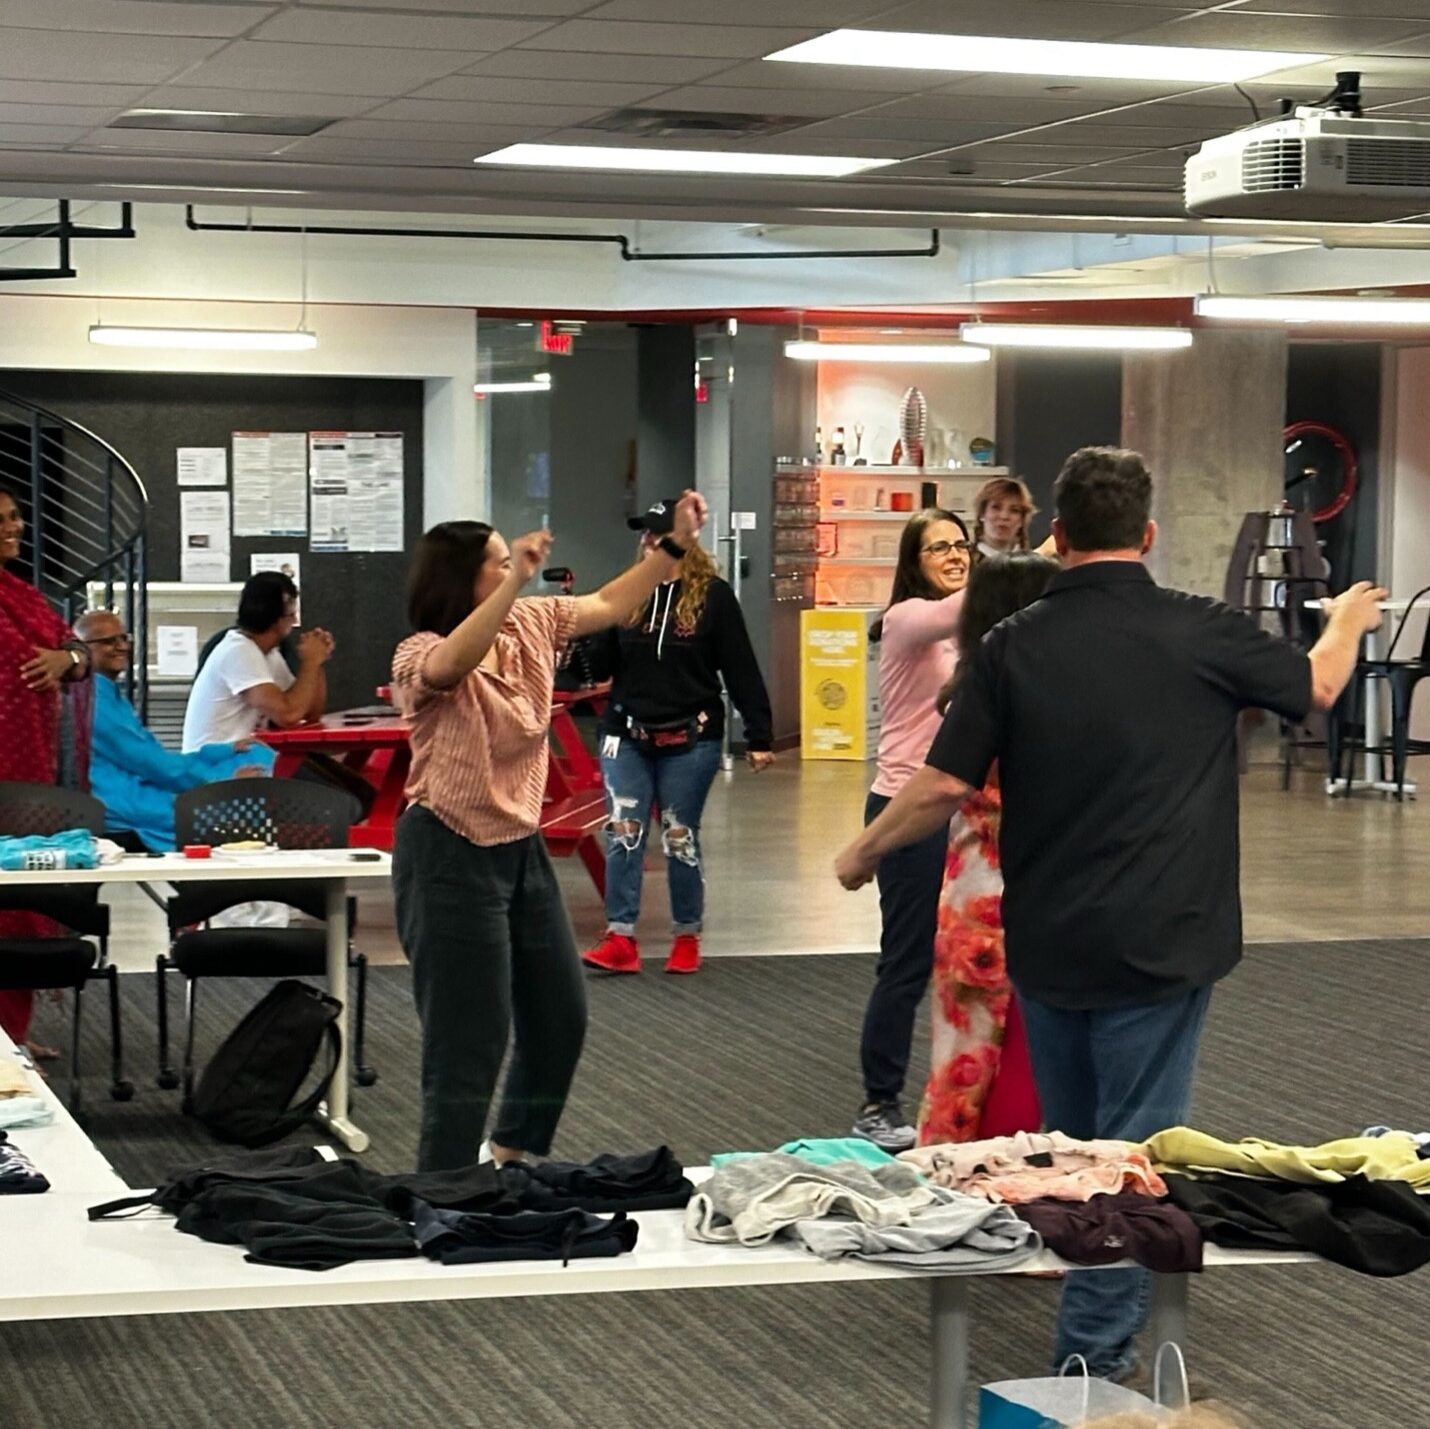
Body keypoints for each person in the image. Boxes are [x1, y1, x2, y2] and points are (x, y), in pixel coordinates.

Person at [835, 446, 1385, 1380]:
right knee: (1126, 1158)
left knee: (1076, 1148)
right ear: (1149, 533)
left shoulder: (1014, 643)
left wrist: (861, 851)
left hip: (1052, 940)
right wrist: (1349, 619)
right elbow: (1318, 686)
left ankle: (1088, 1327)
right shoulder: (1202, 629)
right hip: (1166, 938)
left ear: (1058, 533)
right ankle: (1090, 1360)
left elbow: (940, 785)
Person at [391, 489, 708, 1173]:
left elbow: (605, 605)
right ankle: (442, 1184)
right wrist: (513, 585)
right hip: (446, 849)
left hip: (518, 848)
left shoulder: (531, 624)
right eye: (500, 564)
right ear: (466, 582)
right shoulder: (420, 652)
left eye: (515, 562)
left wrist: (674, 549)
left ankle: (509, 1152)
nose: (517, 570)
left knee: (560, 1018)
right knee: (468, 1038)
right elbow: (450, 666)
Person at [581, 498, 774, 977]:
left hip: (692, 738)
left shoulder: (713, 596)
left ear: (683, 540)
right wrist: (586, 643)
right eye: (644, 535)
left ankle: (687, 933)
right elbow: (599, 666)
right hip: (625, 733)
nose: (648, 542)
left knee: (678, 834)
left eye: (657, 534)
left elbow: (741, 667)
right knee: (624, 830)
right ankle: (620, 937)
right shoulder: (625, 595)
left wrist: (759, 734)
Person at [918, 553, 1054, 1146]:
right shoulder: (1040, 694)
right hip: (1027, 883)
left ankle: (959, 1156)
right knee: (1020, 1051)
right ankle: (1004, 1162)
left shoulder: (973, 687)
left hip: (972, 885)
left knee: (966, 1046)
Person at [851, 507, 972, 1151]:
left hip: (964, 806)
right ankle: (879, 1101)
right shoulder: (906, 621)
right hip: (906, 806)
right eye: (939, 549)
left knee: (978, 956)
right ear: (913, 563)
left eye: (961, 545)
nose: (955, 556)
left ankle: (970, 1086)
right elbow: (981, 598)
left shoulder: (968, 629)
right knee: (908, 958)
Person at [0, 482, 92, 1055]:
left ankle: (13, 1035)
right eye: (1, 518)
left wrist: (68, 658)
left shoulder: (26, 596)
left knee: (19, 902)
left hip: (28, 773)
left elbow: (79, 655)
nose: (14, 526)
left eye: (16, 516)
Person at [77, 610, 273, 852]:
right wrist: (218, 785)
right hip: (132, 804)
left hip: (145, 789)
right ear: (81, 650)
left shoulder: (106, 693)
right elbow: (154, 765)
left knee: (252, 756)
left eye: (123, 638)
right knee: (252, 791)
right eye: (108, 641)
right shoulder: (94, 700)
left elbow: (156, 761)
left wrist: (225, 750)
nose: (121, 647)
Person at [181, 571, 333, 751]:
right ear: (277, 621)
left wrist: (317, 662)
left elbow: (307, 712)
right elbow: (288, 715)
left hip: (242, 762)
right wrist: (310, 662)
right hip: (215, 769)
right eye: (291, 614)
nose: (294, 620)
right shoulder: (238, 652)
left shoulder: (267, 654)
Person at [972, 475, 1036, 559]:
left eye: (1014, 510)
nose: (1004, 516)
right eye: (996, 507)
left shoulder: (1033, 565)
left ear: (1022, 520)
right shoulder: (964, 562)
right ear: (982, 513)